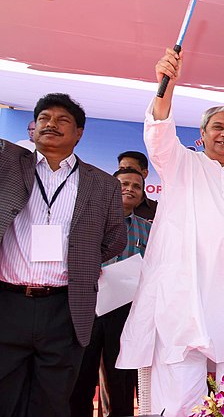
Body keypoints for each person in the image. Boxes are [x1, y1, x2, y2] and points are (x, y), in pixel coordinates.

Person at [116, 49, 224, 417]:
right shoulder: (182, 164)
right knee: (180, 386)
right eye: (218, 127)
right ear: (203, 133)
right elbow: (159, 133)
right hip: (186, 292)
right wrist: (168, 86)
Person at [0, 93, 126, 417]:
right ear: (33, 128)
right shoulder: (10, 163)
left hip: (65, 307)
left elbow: (114, 240)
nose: (51, 125)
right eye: (43, 118)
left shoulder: (102, 184)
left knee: (53, 403)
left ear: (79, 133)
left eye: (62, 120)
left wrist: (82, 260)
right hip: (8, 302)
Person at [70, 168, 151, 417]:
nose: (130, 189)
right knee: (83, 374)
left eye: (136, 186)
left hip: (126, 311)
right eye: (124, 184)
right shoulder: (89, 220)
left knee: (122, 379)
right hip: (90, 306)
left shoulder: (148, 230)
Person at [117, 150, 158, 220]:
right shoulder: (101, 204)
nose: (126, 172)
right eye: (121, 169)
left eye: (130, 169)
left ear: (144, 173)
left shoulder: (158, 210)